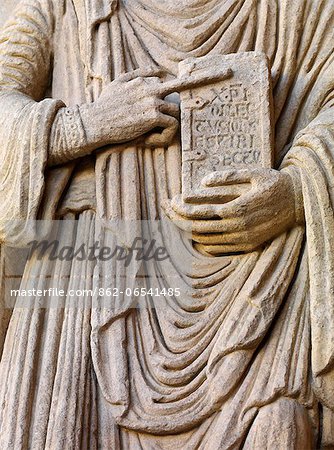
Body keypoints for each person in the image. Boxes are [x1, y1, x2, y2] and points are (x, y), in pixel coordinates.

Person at [0, 0, 333, 448]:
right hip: (93, 274)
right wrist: (86, 124)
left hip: (262, 274)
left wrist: (295, 191)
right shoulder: (64, 5)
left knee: (279, 427)